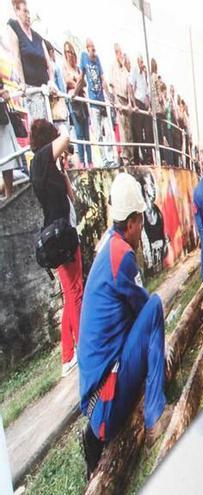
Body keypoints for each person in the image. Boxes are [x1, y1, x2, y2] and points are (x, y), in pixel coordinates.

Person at [78, 172, 169, 480]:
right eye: (140, 221)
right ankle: (155, 413)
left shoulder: (108, 245)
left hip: (96, 405)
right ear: (131, 223)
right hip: (105, 403)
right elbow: (147, 310)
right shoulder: (122, 255)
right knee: (156, 305)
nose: (141, 228)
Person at [28, 120, 82, 377]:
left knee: (70, 294)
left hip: (62, 233)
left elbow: (71, 196)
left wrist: (62, 171)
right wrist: (61, 134)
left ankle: (67, 357)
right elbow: (68, 136)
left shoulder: (46, 168)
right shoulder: (39, 160)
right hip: (61, 237)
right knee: (75, 294)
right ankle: (83, 348)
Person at [6, 0, 55, 120]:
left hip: (45, 90)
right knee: (41, 126)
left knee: (54, 129)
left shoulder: (38, 37)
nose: (28, 15)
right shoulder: (13, 27)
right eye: (25, 11)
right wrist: (22, 83)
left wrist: (52, 81)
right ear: (17, 11)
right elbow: (16, 57)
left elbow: (49, 64)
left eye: (28, 12)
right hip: (32, 89)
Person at [77, 39, 113, 167]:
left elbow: (103, 79)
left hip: (102, 101)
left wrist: (110, 97)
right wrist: (75, 93)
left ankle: (110, 158)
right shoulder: (83, 57)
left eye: (94, 49)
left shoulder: (97, 59)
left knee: (107, 131)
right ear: (87, 48)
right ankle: (104, 160)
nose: (94, 52)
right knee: (98, 133)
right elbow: (81, 76)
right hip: (93, 102)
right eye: (92, 49)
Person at [61, 40, 89, 167]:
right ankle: (82, 161)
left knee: (86, 132)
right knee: (79, 133)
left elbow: (84, 83)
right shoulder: (64, 68)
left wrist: (77, 83)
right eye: (67, 52)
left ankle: (90, 161)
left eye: (71, 52)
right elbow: (68, 82)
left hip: (82, 101)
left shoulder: (77, 68)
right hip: (74, 103)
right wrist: (77, 82)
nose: (70, 54)